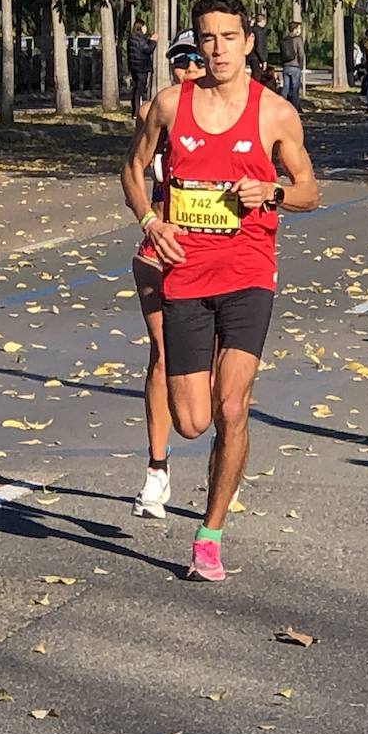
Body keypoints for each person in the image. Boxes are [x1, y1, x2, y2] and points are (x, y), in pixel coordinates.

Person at [121, 0, 320, 581]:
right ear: (197, 43)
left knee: (233, 406)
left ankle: (209, 534)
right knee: (192, 422)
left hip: (248, 275)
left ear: (248, 42)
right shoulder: (168, 105)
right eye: (207, 38)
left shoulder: (274, 113)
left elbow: (310, 190)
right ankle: (203, 391)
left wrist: (274, 193)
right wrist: (151, 222)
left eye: (229, 37)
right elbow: (133, 170)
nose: (218, 49)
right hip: (185, 275)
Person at [128, 29, 207, 520]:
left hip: (218, 254)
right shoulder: (159, 111)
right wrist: (150, 221)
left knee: (215, 367)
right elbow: (132, 169)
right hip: (161, 247)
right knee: (162, 354)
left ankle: (224, 460)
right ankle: (157, 469)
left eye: (198, 59)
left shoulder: (244, 110)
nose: (190, 68)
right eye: (180, 60)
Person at [127, 22, 156, 108]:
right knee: (140, 89)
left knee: (136, 88)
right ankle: (137, 110)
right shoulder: (140, 38)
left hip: (134, 67)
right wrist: (153, 41)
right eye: (144, 26)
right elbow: (147, 49)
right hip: (141, 67)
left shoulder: (132, 38)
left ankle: (134, 109)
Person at [278, 21, 303, 108]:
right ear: (295, 30)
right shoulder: (297, 39)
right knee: (295, 88)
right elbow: (301, 53)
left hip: (286, 66)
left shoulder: (285, 40)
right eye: (299, 28)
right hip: (295, 65)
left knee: (285, 87)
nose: (300, 30)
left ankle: (282, 105)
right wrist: (301, 64)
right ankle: (295, 107)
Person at [246, 11, 269, 82]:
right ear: (263, 21)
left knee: (254, 76)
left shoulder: (252, 29)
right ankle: (253, 92)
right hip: (257, 58)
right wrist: (263, 60)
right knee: (257, 77)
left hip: (251, 56)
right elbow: (259, 47)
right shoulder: (260, 31)